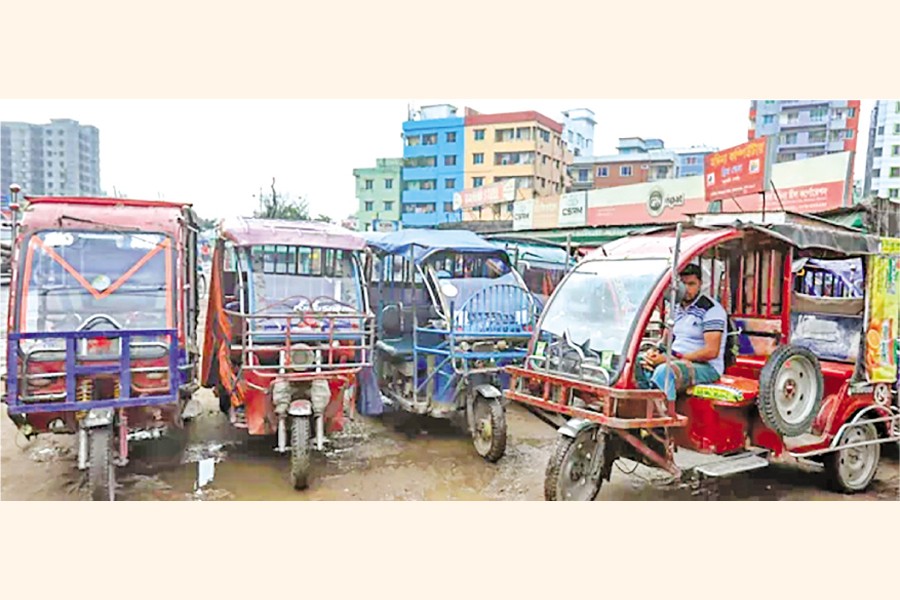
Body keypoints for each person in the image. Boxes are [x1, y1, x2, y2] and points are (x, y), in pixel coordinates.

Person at [635, 263, 727, 402]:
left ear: (700, 284)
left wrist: (674, 359)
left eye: (691, 284)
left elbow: (711, 352)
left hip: (706, 367)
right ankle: (643, 405)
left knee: (664, 372)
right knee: (637, 362)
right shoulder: (676, 308)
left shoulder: (711, 310)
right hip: (675, 358)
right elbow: (666, 340)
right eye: (683, 284)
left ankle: (665, 413)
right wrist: (653, 352)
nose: (687, 289)